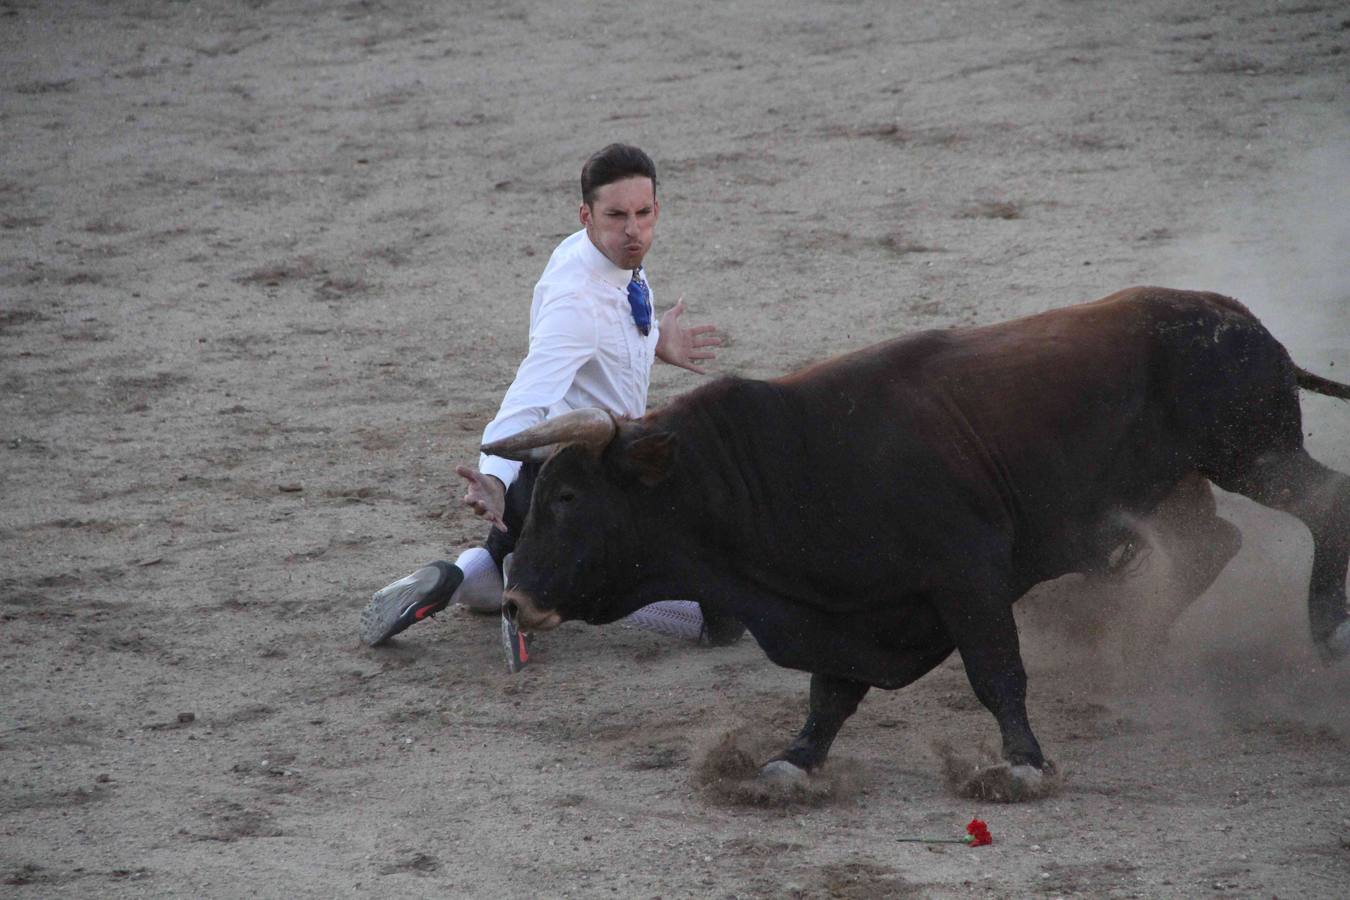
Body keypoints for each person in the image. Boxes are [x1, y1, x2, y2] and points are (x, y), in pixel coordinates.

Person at [359, 143, 744, 657]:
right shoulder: (575, 304)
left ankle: (457, 577)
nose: (633, 230)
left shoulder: (599, 256)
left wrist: (655, 343)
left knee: (510, 554)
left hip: (546, 492)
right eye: (616, 216)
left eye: (643, 213)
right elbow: (528, 395)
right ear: (586, 215)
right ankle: (550, 581)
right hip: (580, 494)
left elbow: (609, 345)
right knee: (720, 621)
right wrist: (493, 477)